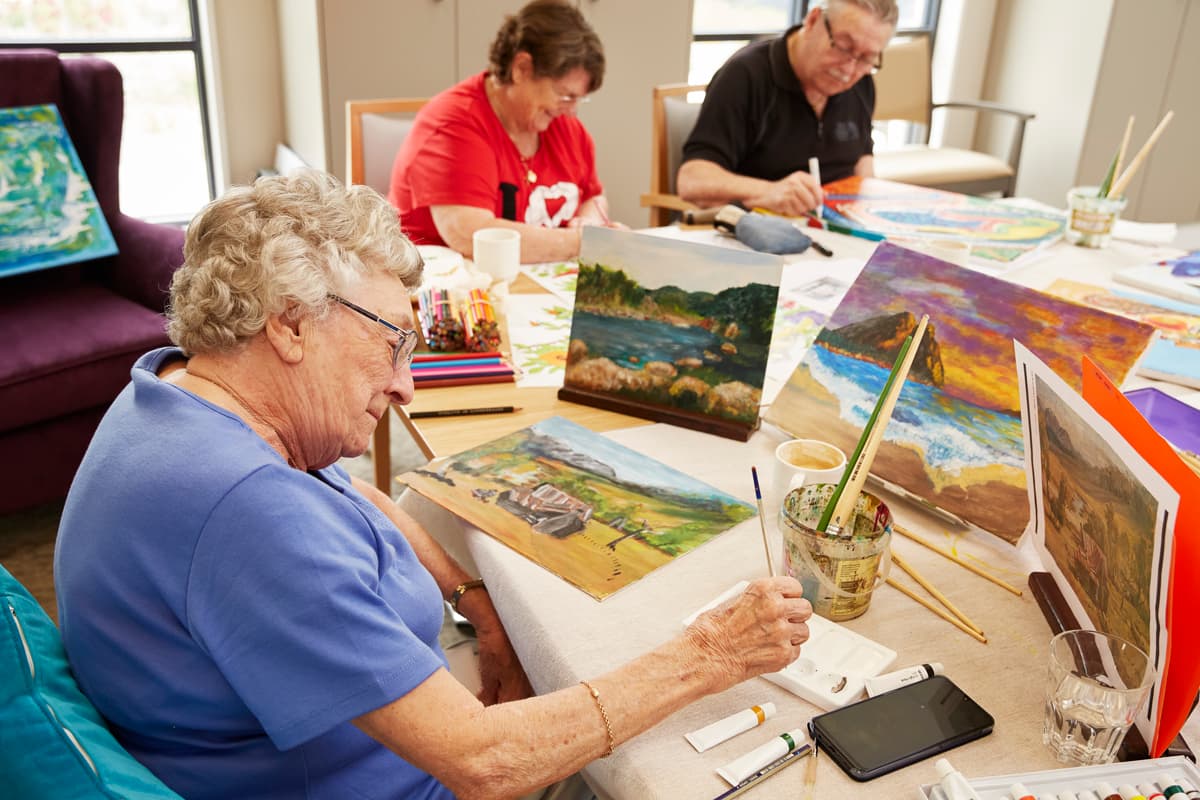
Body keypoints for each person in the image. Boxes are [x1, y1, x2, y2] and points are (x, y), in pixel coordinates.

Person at [54, 169, 814, 800]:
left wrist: (474, 601)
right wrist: (709, 653)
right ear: (288, 326)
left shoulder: (181, 392)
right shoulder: (246, 516)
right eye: (393, 345)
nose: (406, 386)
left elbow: (352, 493)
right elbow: (484, 761)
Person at [388, 0, 621, 264]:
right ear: (522, 68)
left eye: (579, 99)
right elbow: (470, 234)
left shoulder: (564, 127)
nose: (571, 111)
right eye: (565, 95)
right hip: (443, 291)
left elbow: (593, 195)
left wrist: (589, 219)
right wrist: (584, 243)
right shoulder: (452, 123)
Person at [677, 0, 898, 217]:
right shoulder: (746, 75)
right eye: (843, 47)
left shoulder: (862, 83)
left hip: (835, 230)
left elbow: (863, 164)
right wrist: (768, 191)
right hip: (756, 228)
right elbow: (693, 180)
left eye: (866, 58)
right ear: (813, 20)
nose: (849, 69)